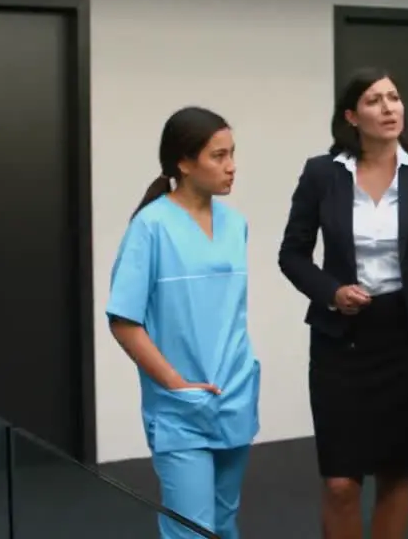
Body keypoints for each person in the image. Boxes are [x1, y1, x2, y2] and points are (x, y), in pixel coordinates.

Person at [279, 68, 408, 539]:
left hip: (407, 334)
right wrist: (331, 292)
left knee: (396, 469)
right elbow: (292, 254)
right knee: (342, 482)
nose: (389, 108)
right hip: (342, 339)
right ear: (351, 116)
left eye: (394, 98)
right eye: (374, 100)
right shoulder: (323, 173)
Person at [107, 107, 260, 539]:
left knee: (225, 524)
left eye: (232, 154)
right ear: (184, 162)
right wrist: (175, 384)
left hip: (234, 392)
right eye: (218, 156)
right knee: (192, 531)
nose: (231, 166)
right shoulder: (150, 227)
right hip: (180, 407)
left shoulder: (236, 224)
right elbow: (124, 321)